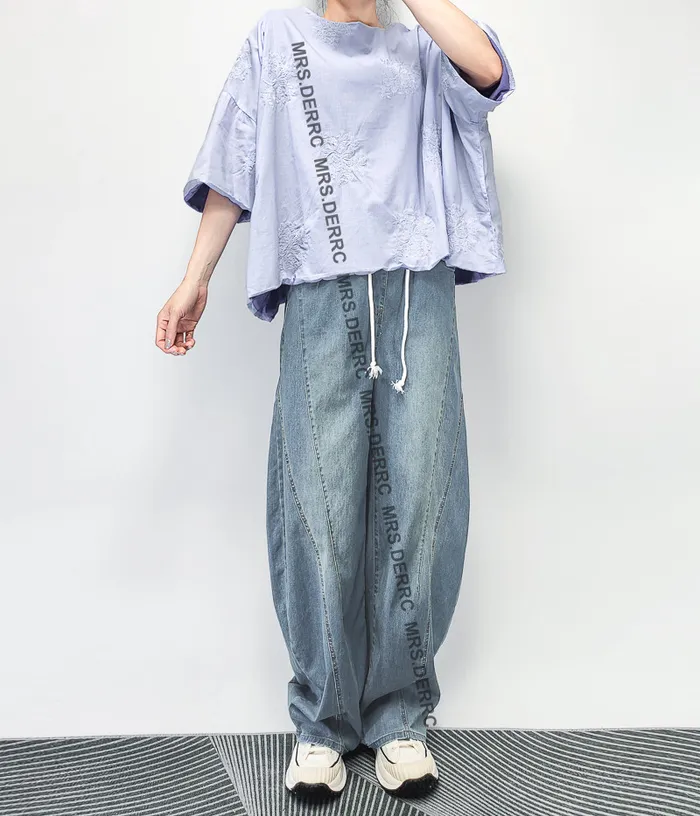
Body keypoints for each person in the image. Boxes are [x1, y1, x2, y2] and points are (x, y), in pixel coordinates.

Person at [155, 0, 514, 801]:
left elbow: (489, 70)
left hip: (415, 289)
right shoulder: (276, 41)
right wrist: (194, 280)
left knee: (423, 506)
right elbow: (233, 161)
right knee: (316, 511)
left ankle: (400, 720)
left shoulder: (425, 47)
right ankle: (320, 725)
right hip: (320, 291)